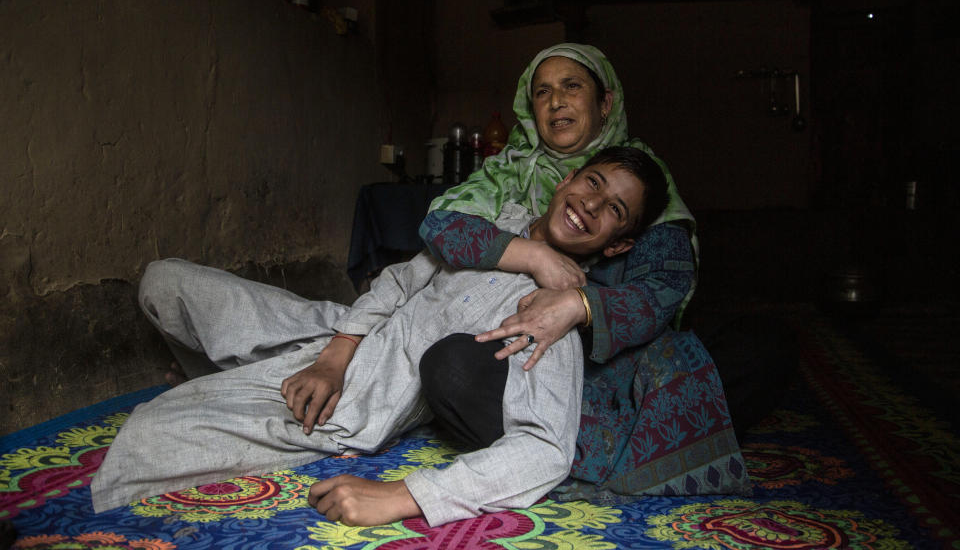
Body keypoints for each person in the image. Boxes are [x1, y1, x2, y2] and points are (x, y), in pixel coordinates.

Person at [90, 147, 692, 527]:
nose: (590, 204)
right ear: (568, 179)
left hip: (356, 394)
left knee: (150, 432)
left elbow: (547, 451)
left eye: (613, 210)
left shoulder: (550, 307)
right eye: (592, 183)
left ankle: (227, 390)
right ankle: (229, 379)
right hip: (336, 330)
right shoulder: (497, 226)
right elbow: (400, 280)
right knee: (165, 282)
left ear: (617, 245)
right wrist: (335, 349)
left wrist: (407, 494)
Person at [417, 42, 751, 504]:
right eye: (542, 92)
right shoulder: (509, 172)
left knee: (758, 346)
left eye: (571, 86)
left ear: (605, 102)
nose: (556, 103)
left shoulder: (641, 178)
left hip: (615, 360)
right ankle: (566, 448)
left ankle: (570, 451)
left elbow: (663, 288)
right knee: (451, 367)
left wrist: (580, 304)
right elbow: (440, 225)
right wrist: (533, 256)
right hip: (525, 350)